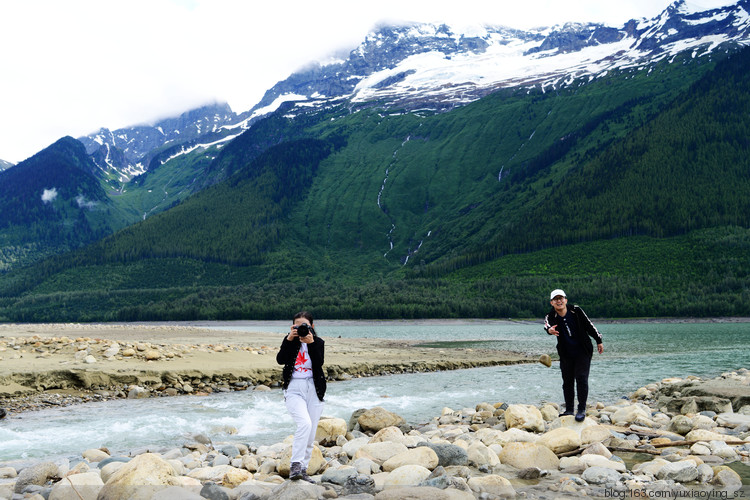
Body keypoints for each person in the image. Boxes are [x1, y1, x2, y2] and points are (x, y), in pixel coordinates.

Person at [276, 311, 326, 482]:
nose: (301, 328)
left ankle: (303, 470)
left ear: (311, 326)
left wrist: (310, 344)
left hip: (314, 389)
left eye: (304, 325)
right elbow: (280, 360)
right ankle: (295, 465)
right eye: (297, 325)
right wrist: (289, 339)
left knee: (311, 434)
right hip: (294, 388)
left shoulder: (318, 342)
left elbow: (319, 362)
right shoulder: (290, 341)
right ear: (293, 326)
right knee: (304, 423)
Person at [543, 289, 603, 422]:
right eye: (556, 299)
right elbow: (547, 325)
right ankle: (569, 409)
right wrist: (549, 330)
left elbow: (589, 325)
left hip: (583, 350)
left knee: (581, 378)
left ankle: (581, 409)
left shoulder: (576, 310)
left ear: (566, 300)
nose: (559, 301)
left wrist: (598, 340)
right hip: (566, 353)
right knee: (567, 381)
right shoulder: (551, 316)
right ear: (551, 302)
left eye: (561, 298)